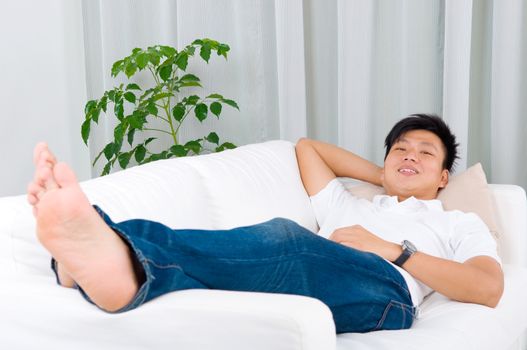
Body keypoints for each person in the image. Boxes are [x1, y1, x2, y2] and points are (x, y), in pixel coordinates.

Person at [27, 114, 503, 334]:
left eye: (424, 153)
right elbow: (307, 148)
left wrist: (394, 250)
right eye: (400, 148)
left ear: (444, 177)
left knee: (284, 238)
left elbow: (488, 287)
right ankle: (115, 270)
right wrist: (380, 176)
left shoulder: (456, 220)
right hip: (318, 269)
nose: (409, 155)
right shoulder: (350, 201)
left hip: (386, 295)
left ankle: (112, 243)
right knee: (258, 262)